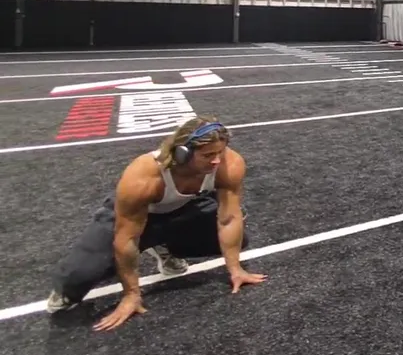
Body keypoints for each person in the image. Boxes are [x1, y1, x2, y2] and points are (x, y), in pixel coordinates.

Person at [46, 117, 264, 331]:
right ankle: (68, 287)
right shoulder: (145, 175)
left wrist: (235, 269)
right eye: (208, 155)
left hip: (182, 209)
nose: (216, 160)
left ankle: (164, 246)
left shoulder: (229, 163)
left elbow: (228, 218)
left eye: (220, 152)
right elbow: (127, 238)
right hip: (134, 216)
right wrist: (131, 294)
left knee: (237, 239)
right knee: (81, 275)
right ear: (182, 153)